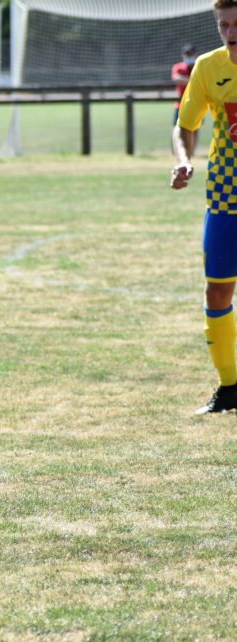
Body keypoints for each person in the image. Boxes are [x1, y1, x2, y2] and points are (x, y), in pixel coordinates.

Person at [171, 0, 237, 413]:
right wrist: (182, 159)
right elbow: (184, 127)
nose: (231, 32)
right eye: (224, 24)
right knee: (217, 291)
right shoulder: (208, 67)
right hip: (226, 195)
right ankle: (230, 387)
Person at [173, 44, 197, 126]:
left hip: (196, 104)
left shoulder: (199, 66)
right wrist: (194, 81)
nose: (188, 57)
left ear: (195, 54)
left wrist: (185, 80)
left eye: (190, 54)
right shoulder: (178, 67)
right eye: (186, 54)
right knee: (177, 127)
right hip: (180, 104)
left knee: (194, 129)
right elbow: (176, 79)